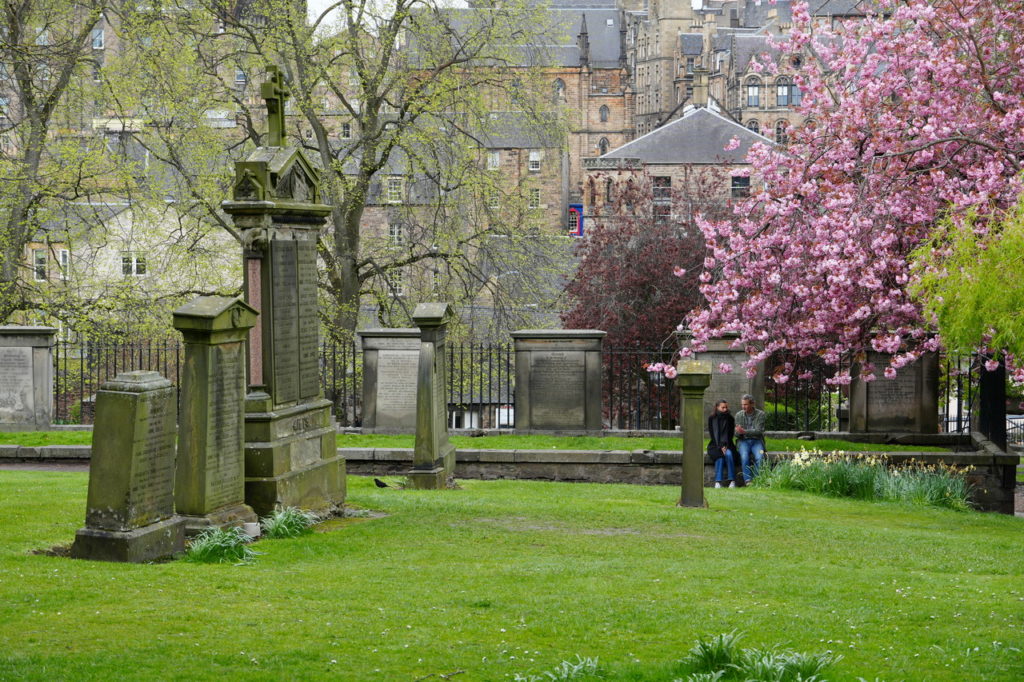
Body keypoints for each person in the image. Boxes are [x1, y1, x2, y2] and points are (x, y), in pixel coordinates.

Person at [735, 393, 767, 485]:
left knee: (760, 457)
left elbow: (759, 431)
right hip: (743, 441)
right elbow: (737, 434)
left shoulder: (760, 414)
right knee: (744, 457)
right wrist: (738, 432)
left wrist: (744, 432)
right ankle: (748, 480)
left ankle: (757, 479)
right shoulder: (738, 415)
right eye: (742, 404)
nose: (743, 406)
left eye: (745, 404)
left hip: (756, 441)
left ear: (752, 404)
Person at [707, 399, 736, 488]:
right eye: (722, 407)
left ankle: (732, 480)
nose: (725, 409)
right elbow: (713, 435)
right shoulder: (711, 418)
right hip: (715, 445)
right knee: (719, 457)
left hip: (728, 444)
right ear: (717, 407)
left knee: (729, 454)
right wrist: (720, 447)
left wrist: (725, 446)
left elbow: (730, 435)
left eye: (726, 407)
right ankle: (718, 482)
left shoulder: (730, 419)